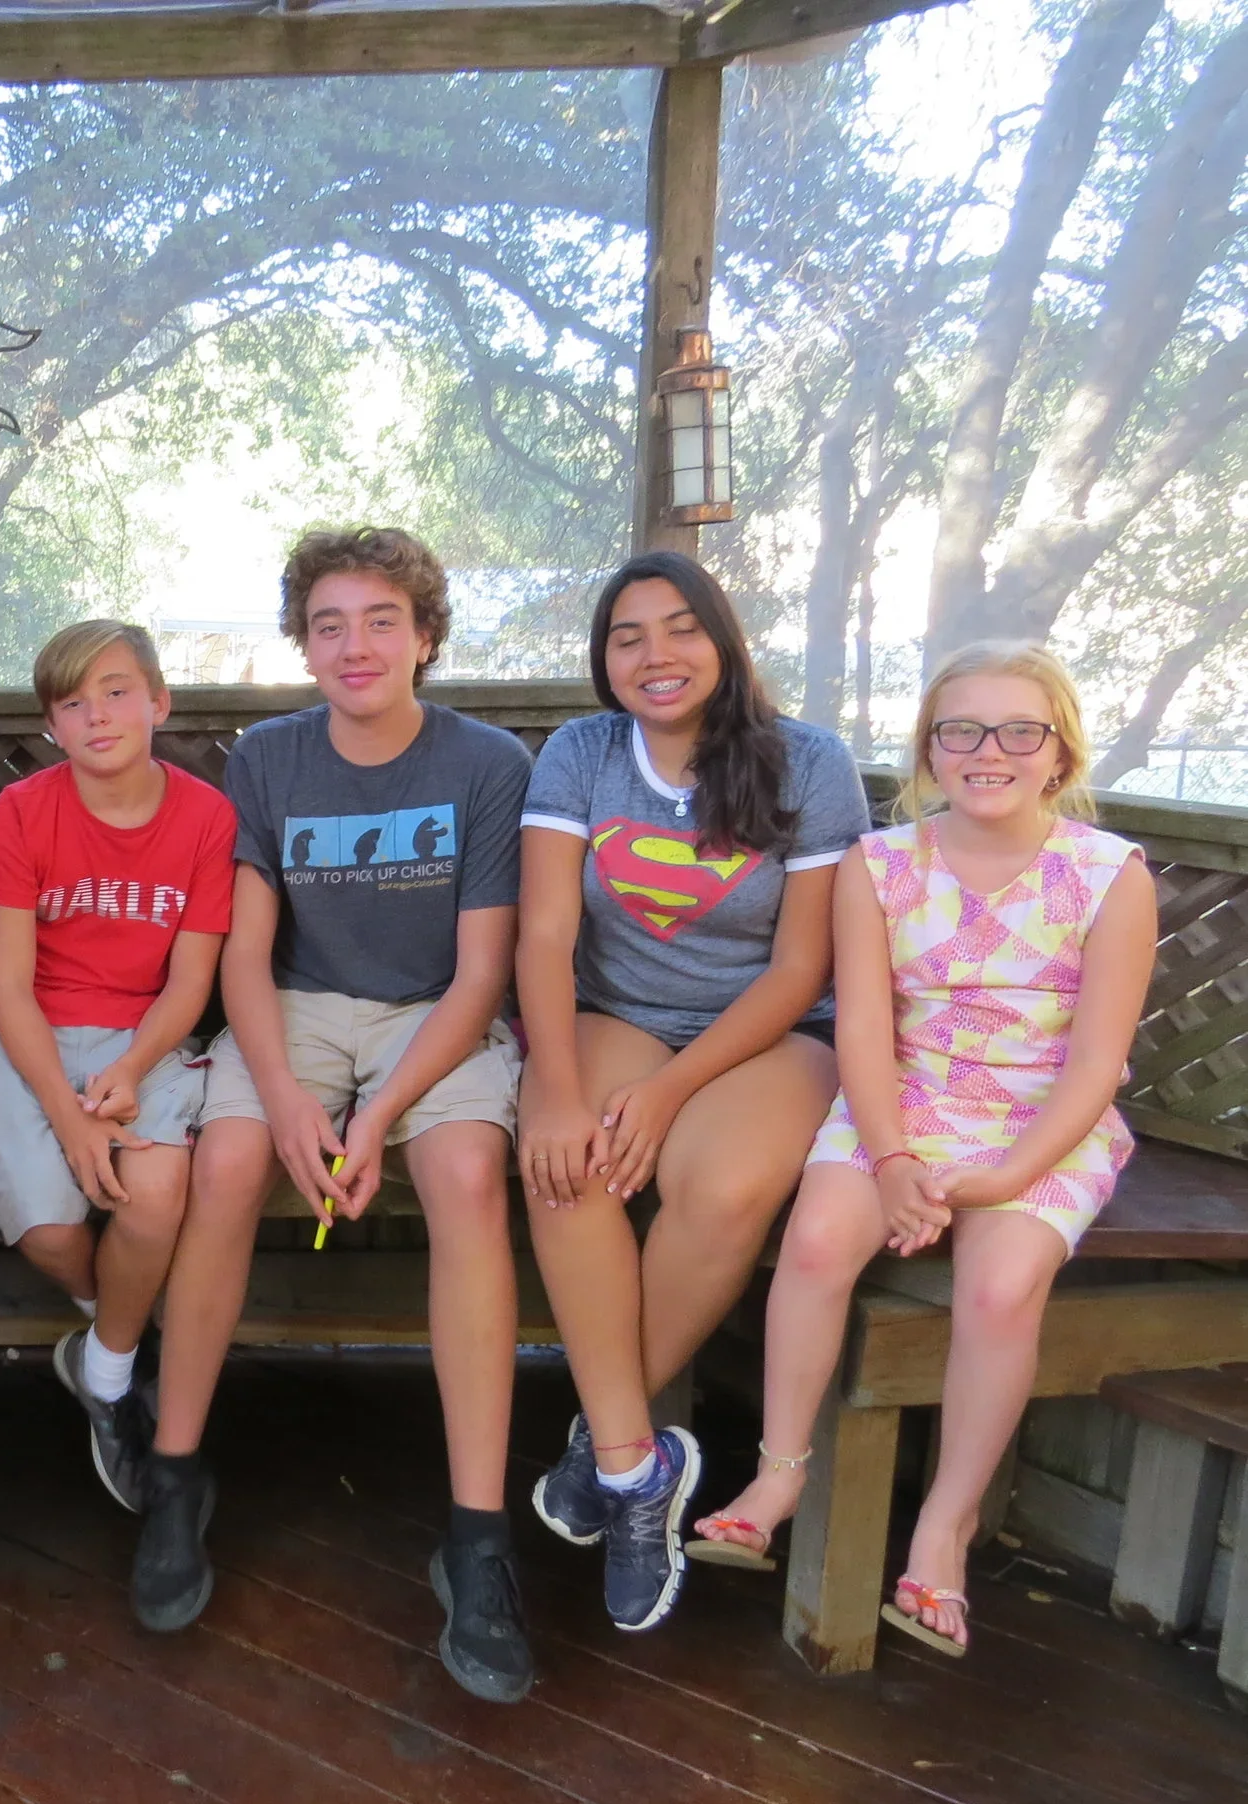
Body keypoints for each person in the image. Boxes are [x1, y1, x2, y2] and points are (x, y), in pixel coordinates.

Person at [693, 642, 1153, 1658]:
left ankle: (944, 1527)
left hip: (1043, 1118)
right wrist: (894, 1161)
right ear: (930, 750)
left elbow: (1093, 1066)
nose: (987, 751)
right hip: (901, 1098)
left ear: (1057, 752)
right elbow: (859, 1028)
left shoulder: (1106, 877)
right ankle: (777, 1469)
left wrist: (1007, 1175)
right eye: (960, 730)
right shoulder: (881, 865)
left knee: (998, 1287)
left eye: (1017, 731)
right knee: (816, 1242)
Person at [161, 527, 535, 1692]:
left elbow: (481, 975)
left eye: (381, 620)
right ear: (302, 646)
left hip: (436, 1014)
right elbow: (245, 951)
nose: (355, 644)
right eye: (328, 624)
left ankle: (477, 1539)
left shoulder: (484, 765)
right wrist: (279, 1101)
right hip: (299, 1011)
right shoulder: (268, 758)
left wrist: (377, 1124)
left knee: (466, 1179)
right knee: (222, 1170)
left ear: (425, 636)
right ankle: (174, 1473)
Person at [514, 552, 867, 1633]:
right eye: (627, 636)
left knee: (719, 1189)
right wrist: (563, 1090)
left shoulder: (808, 762)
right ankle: (634, 1468)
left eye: (679, 630)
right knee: (566, 1162)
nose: (654, 656)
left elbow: (801, 971)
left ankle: (596, 1448)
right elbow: (543, 933)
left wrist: (667, 1093)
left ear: (722, 642)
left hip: (764, 1034)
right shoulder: (580, 753)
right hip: (609, 1011)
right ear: (602, 658)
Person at [0, 618, 235, 1624]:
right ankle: (108, 1326)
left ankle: (109, 1371)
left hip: (144, 1038)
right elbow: (9, 984)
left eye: (117, 692)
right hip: (25, 1036)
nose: (98, 715)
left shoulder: (203, 817)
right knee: (47, 1225)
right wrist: (69, 1121)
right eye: (73, 702)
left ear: (158, 701)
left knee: (155, 1192)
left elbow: (192, 978)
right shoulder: (19, 815)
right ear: (50, 725)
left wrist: (127, 1071)